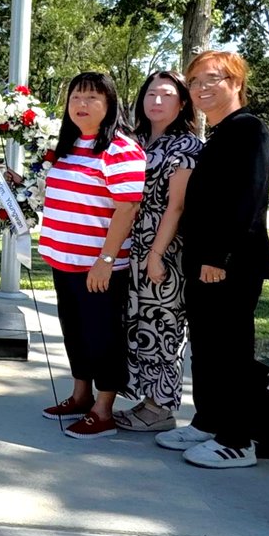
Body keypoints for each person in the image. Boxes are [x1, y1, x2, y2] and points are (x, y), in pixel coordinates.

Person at [157, 51, 269, 468]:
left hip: (228, 263)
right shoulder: (222, 132)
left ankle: (238, 440)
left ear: (235, 82)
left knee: (230, 350)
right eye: (194, 81)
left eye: (212, 79)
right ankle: (208, 421)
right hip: (204, 262)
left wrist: (218, 257)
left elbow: (247, 200)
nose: (201, 88)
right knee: (206, 348)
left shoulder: (249, 130)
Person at [38, 72, 145, 439]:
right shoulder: (67, 146)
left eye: (92, 99)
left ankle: (103, 410)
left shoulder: (120, 149)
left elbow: (127, 208)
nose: (81, 106)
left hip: (98, 266)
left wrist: (105, 259)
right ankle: (80, 395)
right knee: (75, 332)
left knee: (102, 336)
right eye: (76, 99)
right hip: (63, 260)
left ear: (110, 104)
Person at [116, 72, 201, 431]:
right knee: (134, 323)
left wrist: (155, 255)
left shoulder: (187, 147)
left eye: (167, 94)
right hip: (127, 245)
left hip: (163, 248)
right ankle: (142, 399)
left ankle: (160, 408)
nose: (157, 101)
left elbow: (176, 208)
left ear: (182, 102)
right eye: (151, 93)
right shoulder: (132, 141)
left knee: (162, 325)